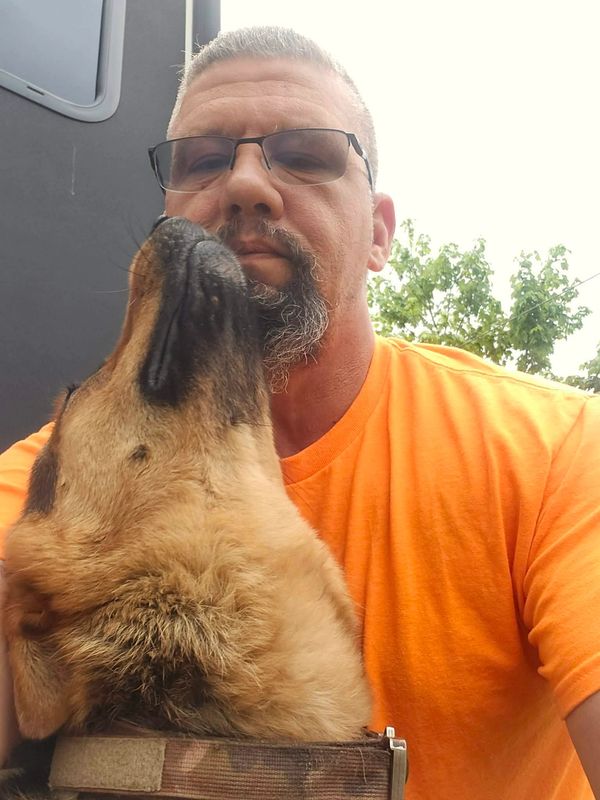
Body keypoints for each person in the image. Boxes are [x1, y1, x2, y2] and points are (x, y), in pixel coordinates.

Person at [1, 26, 599, 799]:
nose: (246, 184)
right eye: (203, 161)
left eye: (307, 155)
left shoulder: (551, 453)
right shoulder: (50, 492)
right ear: (170, 204)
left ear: (379, 234)